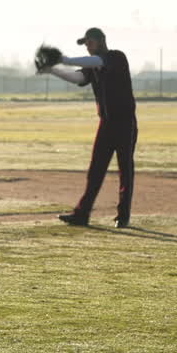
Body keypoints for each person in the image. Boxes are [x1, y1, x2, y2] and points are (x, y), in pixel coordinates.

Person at [37, 27, 138, 228]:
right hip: (106, 124)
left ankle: (123, 216)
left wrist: (64, 59)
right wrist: (52, 70)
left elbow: (98, 61)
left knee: (125, 169)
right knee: (95, 171)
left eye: (90, 43)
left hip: (125, 123)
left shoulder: (116, 57)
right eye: (86, 44)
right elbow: (78, 78)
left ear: (101, 41)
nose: (88, 47)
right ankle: (82, 215)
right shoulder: (92, 66)